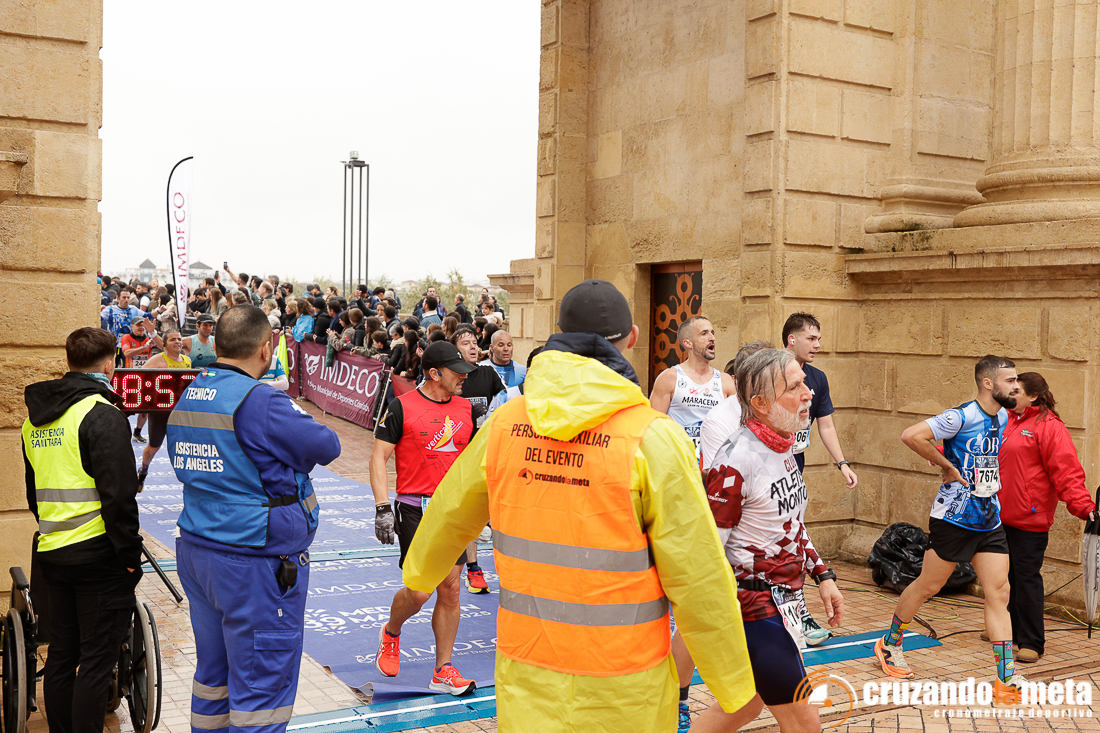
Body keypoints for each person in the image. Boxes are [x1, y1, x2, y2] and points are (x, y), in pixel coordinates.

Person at [395, 279, 755, 732]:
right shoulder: (652, 438)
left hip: (529, 674)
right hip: (625, 685)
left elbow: (448, 515)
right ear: (632, 339)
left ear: (559, 334)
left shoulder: (505, 425)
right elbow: (697, 574)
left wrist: (420, 573)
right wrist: (734, 682)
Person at [168, 305, 340, 731]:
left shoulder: (192, 391)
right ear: (266, 349)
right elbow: (327, 446)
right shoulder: (262, 400)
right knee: (262, 690)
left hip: (198, 548)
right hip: (254, 561)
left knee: (214, 676)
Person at [694, 349, 844, 733]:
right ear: (760, 404)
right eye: (793, 387)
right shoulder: (735, 461)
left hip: (784, 602)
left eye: (804, 382)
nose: (808, 393)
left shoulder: (782, 444)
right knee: (805, 724)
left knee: (744, 706)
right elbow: (708, 551)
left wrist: (823, 575)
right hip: (755, 608)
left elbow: (791, 522)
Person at [874, 355, 1026, 701]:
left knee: (999, 591)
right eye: (1010, 380)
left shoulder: (1003, 416)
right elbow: (912, 435)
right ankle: (889, 643)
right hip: (954, 518)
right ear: (988, 383)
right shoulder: (961, 416)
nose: (1016, 386)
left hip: (989, 518)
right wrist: (945, 464)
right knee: (929, 585)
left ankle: (1006, 676)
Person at [22, 327, 143, 733]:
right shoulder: (101, 414)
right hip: (98, 558)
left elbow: (34, 495)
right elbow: (120, 497)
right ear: (109, 364)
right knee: (95, 663)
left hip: (53, 553)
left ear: (69, 361)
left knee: (61, 656)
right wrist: (130, 559)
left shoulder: (34, 422)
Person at [371, 341, 479, 695]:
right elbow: (378, 457)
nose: (464, 377)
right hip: (414, 508)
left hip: (453, 510)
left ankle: (442, 670)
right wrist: (382, 507)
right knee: (419, 592)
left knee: (450, 589)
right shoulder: (401, 406)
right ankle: (391, 632)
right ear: (434, 373)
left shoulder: (467, 408)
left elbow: (474, 462)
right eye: (456, 372)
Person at [647, 315, 736, 728]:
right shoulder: (670, 379)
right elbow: (650, 433)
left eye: (714, 332)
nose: (712, 337)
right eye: (704, 333)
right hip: (678, 486)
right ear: (686, 343)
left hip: (714, 490)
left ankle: (690, 690)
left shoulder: (726, 384)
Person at [997, 371, 1097, 663]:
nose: (1010, 396)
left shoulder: (1050, 427)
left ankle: (1031, 642)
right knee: (1003, 578)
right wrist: (940, 451)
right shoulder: (1004, 421)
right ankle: (1008, 631)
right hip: (998, 517)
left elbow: (1067, 472)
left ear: (1033, 396)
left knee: (1026, 578)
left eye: (1016, 391)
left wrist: (1084, 507)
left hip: (1030, 519)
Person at [782, 312, 856, 643]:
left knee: (793, 538)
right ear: (792, 339)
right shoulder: (771, 372)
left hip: (793, 470)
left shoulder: (818, 378)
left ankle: (796, 615)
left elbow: (825, 425)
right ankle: (795, 615)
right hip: (765, 470)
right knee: (786, 541)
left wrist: (842, 463)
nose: (817, 344)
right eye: (811, 338)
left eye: (819, 339)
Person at [700, 341, 772, 471]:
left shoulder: (781, 409)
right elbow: (720, 476)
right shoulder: (717, 421)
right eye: (767, 376)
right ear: (739, 380)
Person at [135, 330, 192, 492]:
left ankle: (190, 480)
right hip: (160, 413)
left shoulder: (187, 361)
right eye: (173, 339)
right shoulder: (158, 360)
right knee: (154, 447)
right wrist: (146, 401)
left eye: (179, 339)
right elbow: (138, 378)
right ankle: (143, 471)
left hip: (180, 413)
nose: (177, 341)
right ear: (165, 344)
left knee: (183, 448)